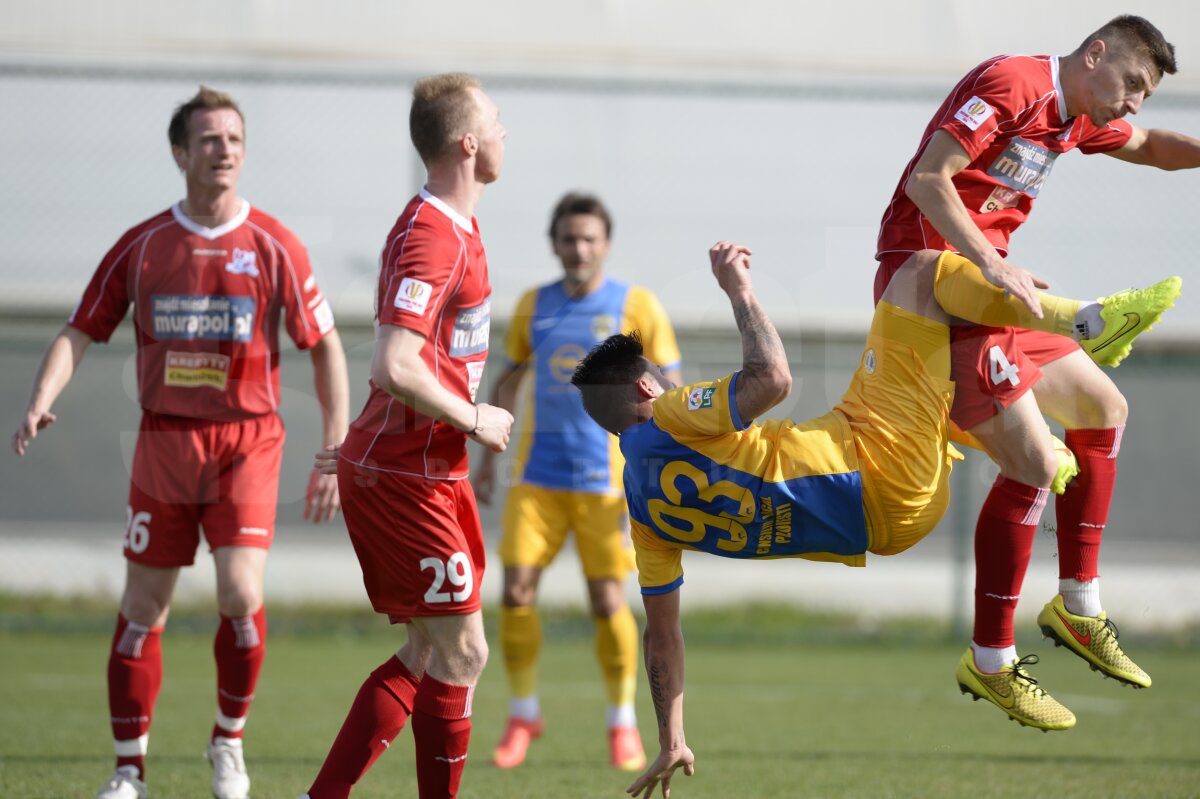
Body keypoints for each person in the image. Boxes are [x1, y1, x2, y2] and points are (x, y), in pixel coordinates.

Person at [571, 240, 1179, 797]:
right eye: (664, 378)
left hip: (886, 524)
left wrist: (670, 737)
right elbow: (772, 380)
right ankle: (1082, 320)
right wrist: (739, 290)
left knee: (948, 359)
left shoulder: (644, 514)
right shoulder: (671, 414)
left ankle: (1042, 445)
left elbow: (662, 639)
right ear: (648, 388)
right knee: (917, 275)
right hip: (879, 464)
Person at [10, 86, 350, 799]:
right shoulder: (144, 245)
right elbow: (80, 329)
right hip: (164, 440)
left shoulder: (275, 244)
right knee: (143, 608)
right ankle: (128, 769)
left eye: (233, 138)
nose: (223, 149)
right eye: (208, 139)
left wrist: (334, 446)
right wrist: (41, 398)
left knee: (238, 591)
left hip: (248, 440)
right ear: (180, 153)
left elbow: (323, 347)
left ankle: (227, 743)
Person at [874, 14, 1195, 727]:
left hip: (997, 299)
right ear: (1096, 53)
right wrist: (991, 261)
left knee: (1102, 409)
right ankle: (990, 660)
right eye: (1135, 84)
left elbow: (1146, 147)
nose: (1135, 102)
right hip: (932, 293)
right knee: (1031, 462)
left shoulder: (1070, 117)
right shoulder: (1012, 81)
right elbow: (930, 181)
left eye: (1147, 92)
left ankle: (1078, 605)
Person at [299, 72, 512, 799]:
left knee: (428, 648)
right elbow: (394, 363)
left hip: (424, 468)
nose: (507, 133)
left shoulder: (455, 225)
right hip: (406, 473)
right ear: (468, 141)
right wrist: (475, 417)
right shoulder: (431, 233)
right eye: (497, 121)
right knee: (464, 649)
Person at [472, 192, 682, 771]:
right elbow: (508, 381)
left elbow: (667, 387)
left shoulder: (636, 304)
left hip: (606, 484)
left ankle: (622, 721)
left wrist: (655, 464)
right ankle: (523, 713)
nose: (579, 248)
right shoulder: (533, 306)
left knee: (607, 598)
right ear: (555, 244)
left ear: (605, 245)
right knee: (514, 593)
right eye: (569, 238)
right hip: (536, 479)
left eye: (589, 238)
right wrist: (488, 460)